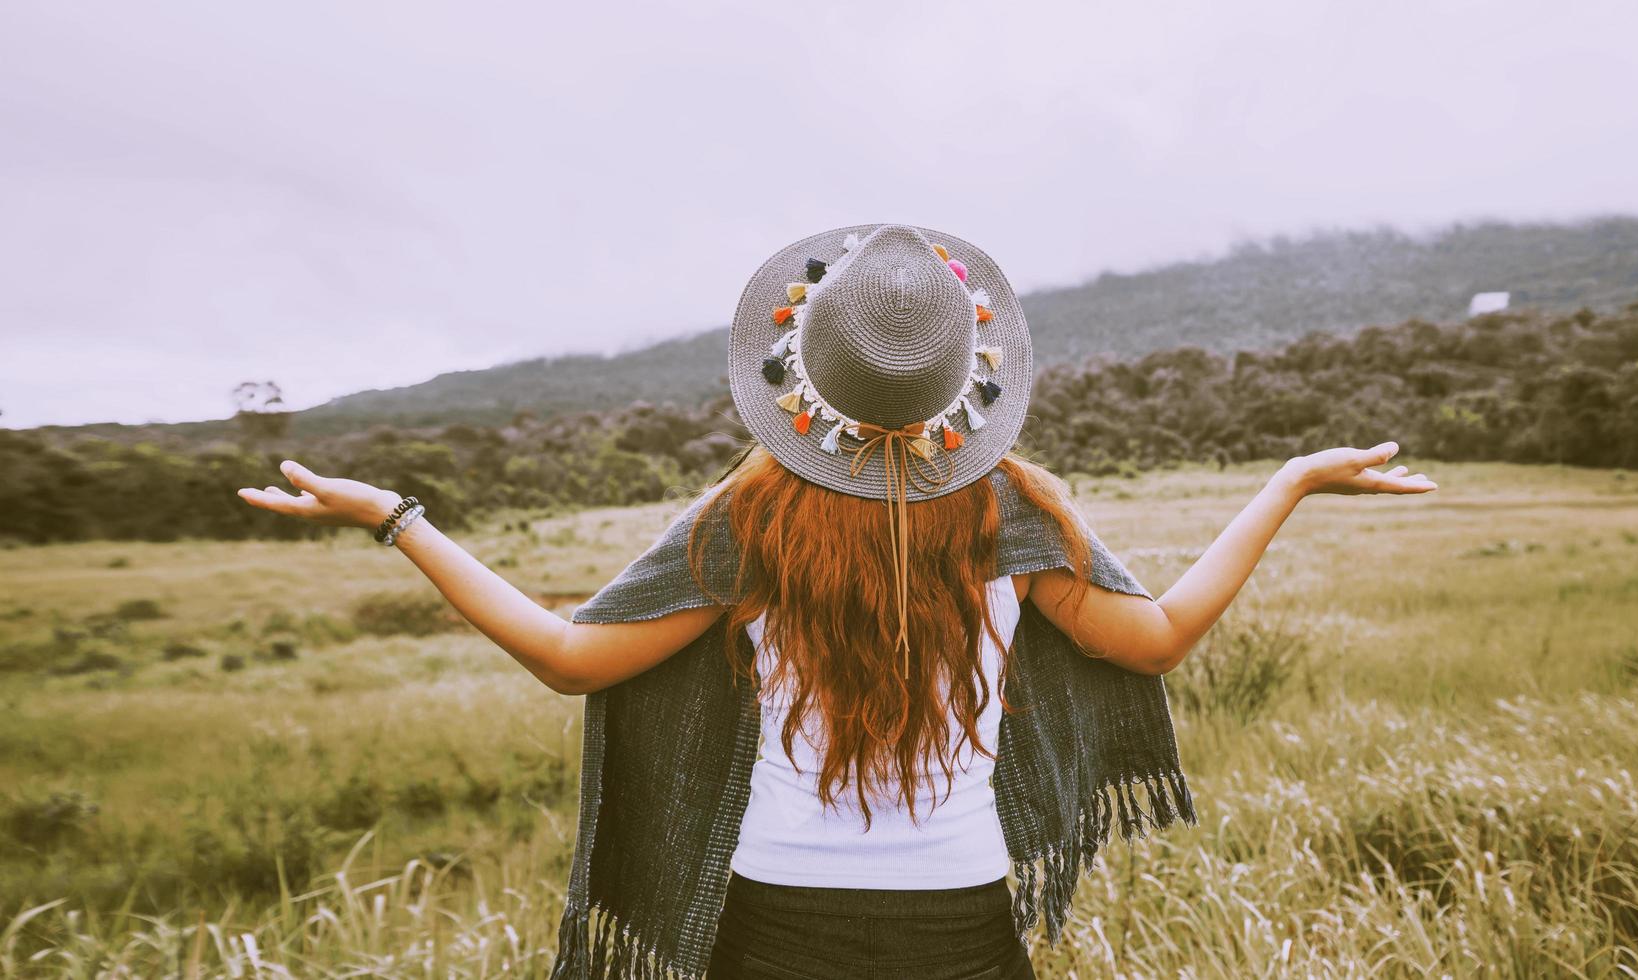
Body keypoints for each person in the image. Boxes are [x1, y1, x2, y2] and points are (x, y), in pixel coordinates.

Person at [238, 223, 1436, 979]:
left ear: (802, 378)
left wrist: (398, 519)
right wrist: (1287, 484)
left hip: (771, 922)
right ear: (965, 381)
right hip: (961, 919)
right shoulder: (1016, 512)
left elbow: (566, 655)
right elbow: (1162, 636)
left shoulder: (747, 517)